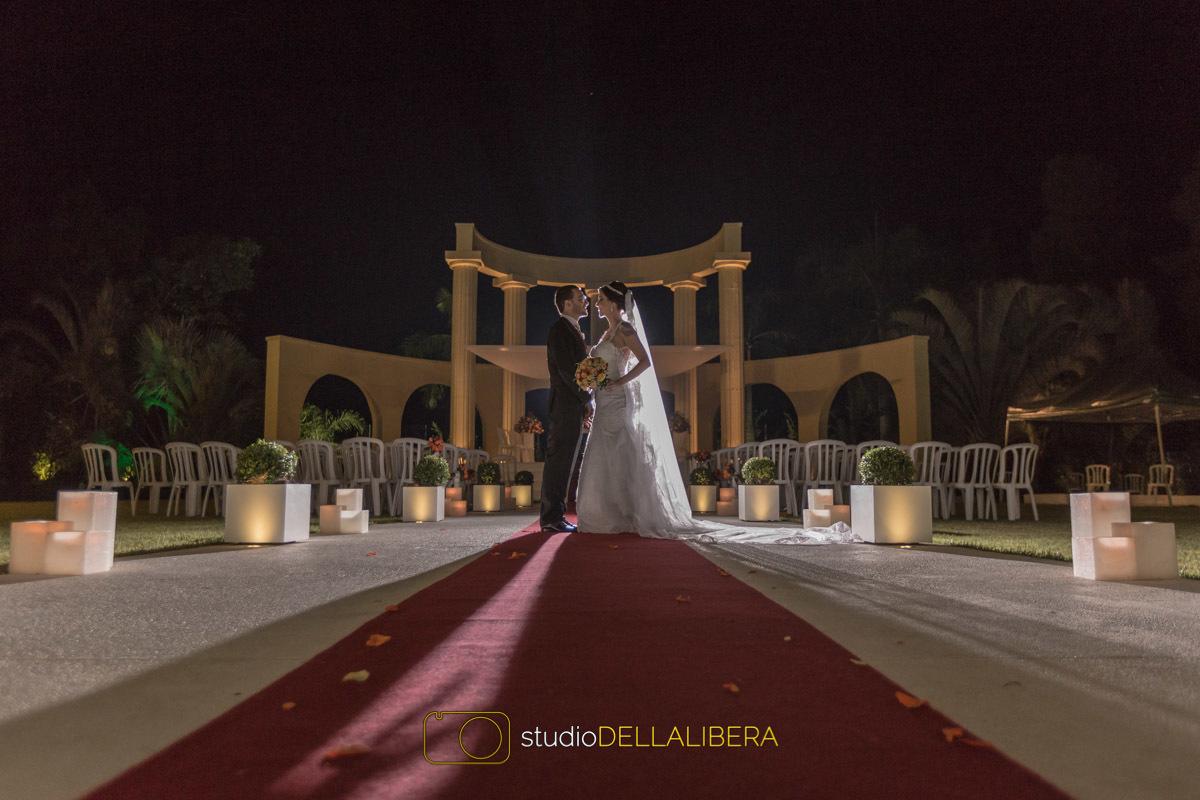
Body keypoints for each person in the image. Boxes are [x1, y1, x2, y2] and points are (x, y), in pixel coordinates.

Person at [576, 280, 857, 545]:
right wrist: (592, 385)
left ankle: (629, 514)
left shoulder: (625, 330)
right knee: (604, 453)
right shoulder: (606, 333)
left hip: (618, 400)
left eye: (600, 300)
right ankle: (608, 513)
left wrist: (620, 382)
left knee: (621, 452)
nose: (596, 304)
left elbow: (645, 362)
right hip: (602, 401)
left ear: (614, 303)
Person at [539, 285, 592, 533]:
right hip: (563, 405)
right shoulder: (560, 329)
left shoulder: (572, 329)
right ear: (567, 304)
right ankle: (551, 518)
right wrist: (586, 398)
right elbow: (566, 371)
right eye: (581, 298)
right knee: (559, 461)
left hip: (571, 405)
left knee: (566, 462)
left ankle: (556, 516)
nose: (587, 301)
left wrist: (584, 402)